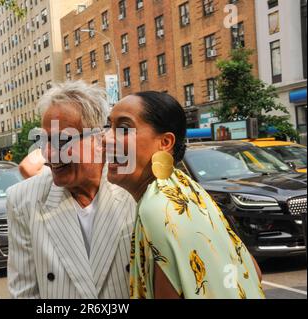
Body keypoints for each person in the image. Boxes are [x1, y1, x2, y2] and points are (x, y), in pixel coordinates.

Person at [105, 91, 264, 299]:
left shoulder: (157, 209)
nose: (106, 139)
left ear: (165, 143)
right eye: (108, 127)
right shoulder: (188, 190)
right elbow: (254, 271)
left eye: (124, 129)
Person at [6, 81, 136, 298]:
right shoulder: (23, 201)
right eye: (44, 141)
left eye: (61, 140)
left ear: (98, 140)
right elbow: (24, 293)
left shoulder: (133, 192)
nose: (48, 153)